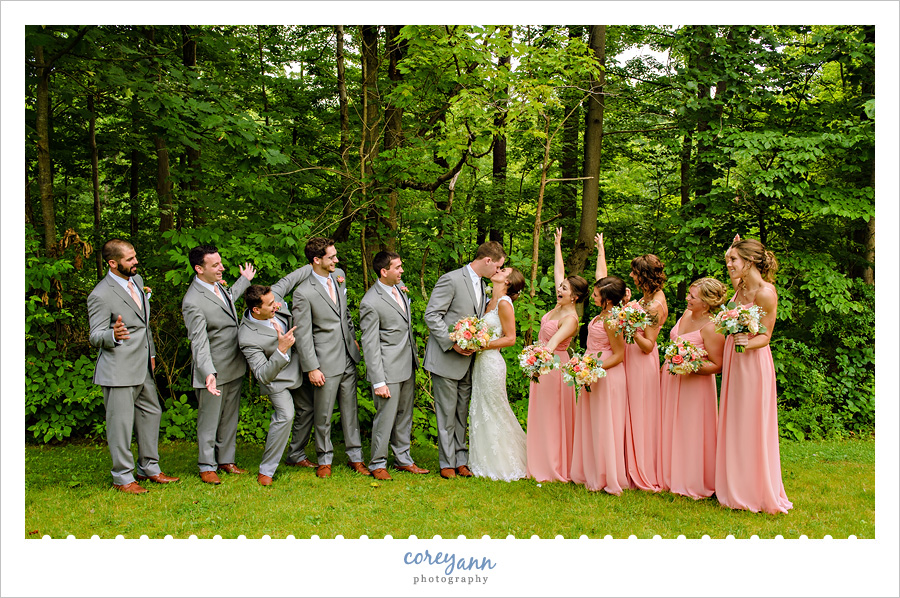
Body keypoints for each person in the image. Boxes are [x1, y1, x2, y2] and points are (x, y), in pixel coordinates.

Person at [87, 239, 178, 494]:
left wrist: (152, 352)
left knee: (152, 413)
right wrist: (112, 334)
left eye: (135, 256)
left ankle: (149, 467)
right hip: (118, 370)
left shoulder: (137, 282)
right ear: (113, 263)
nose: (135, 261)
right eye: (129, 259)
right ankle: (123, 478)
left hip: (143, 365)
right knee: (121, 425)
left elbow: (143, 324)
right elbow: (95, 336)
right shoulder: (100, 294)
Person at [715, 238, 792, 513]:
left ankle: (755, 490)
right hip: (734, 360)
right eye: (728, 260)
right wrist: (731, 248)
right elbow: (734, 275)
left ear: (748, 262)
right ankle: (734, 485)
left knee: (751, 422)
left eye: (733, 261)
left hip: (753, 362)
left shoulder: (765, 293)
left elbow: (766, 336)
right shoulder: (741, 286)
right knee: (735, 420)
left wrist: (745, 343)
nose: (728, 265)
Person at [423, 241, 506, 479]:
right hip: (447, 358)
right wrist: (453, 342)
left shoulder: (482, 284)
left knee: (461, 413)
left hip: (471, 361)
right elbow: (432, 315)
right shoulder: (451, 279)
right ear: (488, 260)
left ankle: (461, 459)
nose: (498, 272)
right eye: (498, 266)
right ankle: (446, 463)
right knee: (446, 413)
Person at [181, 245, 258, 484]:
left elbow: (228, 302)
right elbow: (198, 341)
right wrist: (208, 372)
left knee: (229, 417)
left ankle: (226, 460)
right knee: (209, 420)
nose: (221, 268)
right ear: (198, 269)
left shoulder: (217, 287)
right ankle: (206, 465)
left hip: (233, 365)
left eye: (220, 262)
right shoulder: (192, 301)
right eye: (215, 265)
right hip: (212, 370)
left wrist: (244, 281)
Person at [596, 233, 667, 492]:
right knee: (627, 415)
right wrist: (627, 306)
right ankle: (626, 465)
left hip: (642, 364)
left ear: (644, 275)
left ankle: (642, 469)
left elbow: (649, 346)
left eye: (635, 274)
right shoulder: (643, 300)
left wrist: (630, 328)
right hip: (629, 361)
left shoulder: (656, 305)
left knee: (640, 415)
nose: (633, 278)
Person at [292, 238, 367, 478]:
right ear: (317, 260)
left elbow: (345, 313)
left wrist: (352, 337)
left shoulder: (339, 276)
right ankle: (324, 459)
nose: (337, 260)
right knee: (323, 413)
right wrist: (312, 367)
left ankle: (356, 457)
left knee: (350, 410)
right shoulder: (303, 293)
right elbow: (303, 334)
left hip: (348, 355)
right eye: (331, 257)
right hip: (324, 360)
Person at [358, 251, 430, 480]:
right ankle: (377, 463)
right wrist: (378, 380)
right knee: (385, 417)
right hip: (387, 370)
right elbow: (369, 344)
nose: (402, 271)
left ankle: (403, 459)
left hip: (408, 365)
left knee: (404, 416)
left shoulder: (399, 289)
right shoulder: (370, 302)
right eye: (397, 267)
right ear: (384, 271)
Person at [525, 228, 588, 483]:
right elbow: (558, 273)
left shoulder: (571, 318)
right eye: (560, 287)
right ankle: (538, 459)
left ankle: (553, 465)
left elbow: (552, 344)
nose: (558, 289)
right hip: (542, 364)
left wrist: (536, 360)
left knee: (552, 416)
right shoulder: (559, 305)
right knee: (541, 414)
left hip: (553, 367)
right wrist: (558, 245)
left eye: (563, 289)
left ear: (574, 296)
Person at [659, 277, 727, 499]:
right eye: (689, 294)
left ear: (706, 303)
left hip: (695, 386)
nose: (687, 299)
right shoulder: (686, 314)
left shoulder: (713, 328)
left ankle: (692, 478)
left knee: (690, 430)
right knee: (669, 425)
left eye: (692, 296)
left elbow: (718, 365)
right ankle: (667, 473)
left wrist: (689, 365)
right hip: (671, 379)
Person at [238, 281, 306, 486]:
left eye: (275, 301)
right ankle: (266, 470)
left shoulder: (272, 299)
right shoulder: (247, 337)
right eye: (270, 305)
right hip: (276, 379)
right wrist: (281, 350)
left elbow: (294, 277)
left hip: (298, 369)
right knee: (286, 415)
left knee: (309, 409)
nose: (276, 306)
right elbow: (262, 375)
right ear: (256, 309)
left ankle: (296, 455)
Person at [569, 276, 629, 494]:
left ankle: (606, 475)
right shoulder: (601, 315)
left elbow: (620, 355)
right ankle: (590, 470)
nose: (592, 297)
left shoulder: (613, 320)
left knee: (605, 423)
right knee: (592, 422)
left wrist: (595, 368)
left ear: (607, 299)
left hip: (606, 375)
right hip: (592, 372)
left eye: (595, 294)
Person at [468, 266, 528, 482]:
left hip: (492, 363)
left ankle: (503, 461)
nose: (498, 270)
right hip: (480, 362)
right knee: (481, 407)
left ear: (508, 281)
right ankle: (483, 458)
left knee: (494, 408)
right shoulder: (486, 301)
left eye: (503, 270)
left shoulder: (504, 303)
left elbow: (510, 338)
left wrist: (479, 345)